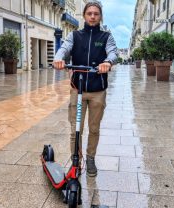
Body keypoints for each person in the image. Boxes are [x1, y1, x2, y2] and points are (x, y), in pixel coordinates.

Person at [53, 2, 118, 177]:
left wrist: (108, 62)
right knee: (76, 129)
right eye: (89, 13)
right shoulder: (75, 35)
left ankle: (90, 158)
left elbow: (113, 52)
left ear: (100, 16)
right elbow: (64, 48)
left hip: (98, 90)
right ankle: (76, 159)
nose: (92, 16)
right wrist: (59, 58)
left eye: (96, 13)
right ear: (84, 15)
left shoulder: (106, 37)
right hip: (77, 88)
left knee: (94, 128)